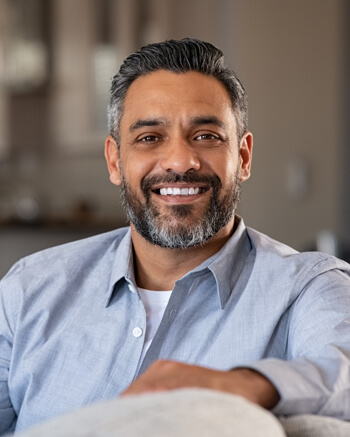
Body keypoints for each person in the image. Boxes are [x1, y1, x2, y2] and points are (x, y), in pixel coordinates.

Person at [1, 38, 350, 435]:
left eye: (206, 136)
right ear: (116, 160)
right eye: (150, 137)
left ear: (244, 157)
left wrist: (238, 384)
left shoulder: (309, 286)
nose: (181, 162)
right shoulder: (27, 291)